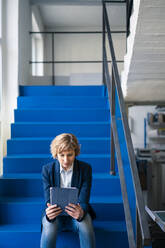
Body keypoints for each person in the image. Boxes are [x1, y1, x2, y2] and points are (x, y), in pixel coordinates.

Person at [40, 133, 96, 248]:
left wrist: (81, 213)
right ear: (56, 155)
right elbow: (47, 199)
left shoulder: (85, 169)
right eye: (62, 155)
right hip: (56, 216)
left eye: (70, 155)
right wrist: (49, 212)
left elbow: (84, 200)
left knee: (86, 226)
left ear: (75, 153)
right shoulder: (47, 170)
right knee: (49, 228)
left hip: (77, 215)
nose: (66, 160)